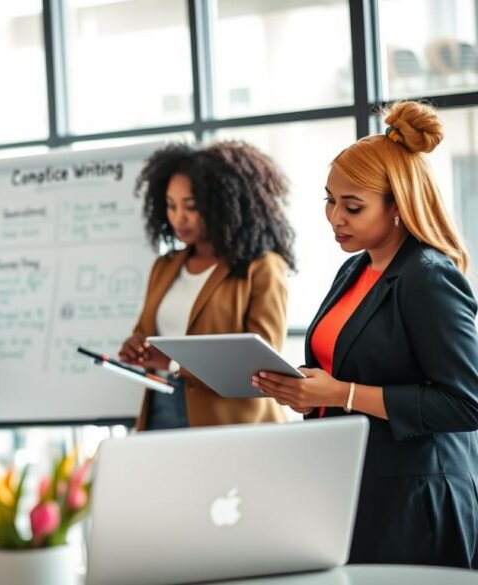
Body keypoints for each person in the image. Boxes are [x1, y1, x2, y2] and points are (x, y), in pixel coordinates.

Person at [252, 101, 478, 567]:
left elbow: (466, 402)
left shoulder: (428, 277)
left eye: (352, 207)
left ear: (399, 206)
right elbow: (343, 370)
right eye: (329, 201)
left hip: (416, 499)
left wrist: (342, 393)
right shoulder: (354, 270)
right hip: (352, 485)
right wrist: (307, 392)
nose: (335, 218)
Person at [118, 141, 295, 429]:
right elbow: (146, 333)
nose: (178, 218)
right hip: (159, 410)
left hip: (232, 423)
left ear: (222, 205)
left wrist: (174, 365)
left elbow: (261, 368)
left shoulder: (262, 267)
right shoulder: (164, 266)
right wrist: (136, 345)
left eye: (191, 206)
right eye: (171, 205)